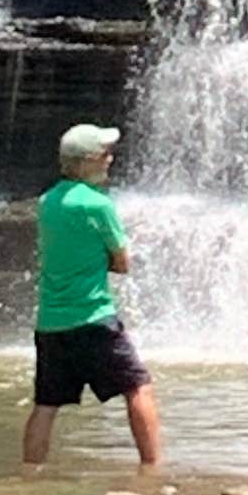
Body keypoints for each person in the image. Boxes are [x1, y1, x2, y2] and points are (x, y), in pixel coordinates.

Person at [23, 120, 161, 471]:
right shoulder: (98, 205)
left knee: (46, 404)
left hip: (52, 323)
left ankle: (29, 473)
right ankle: (151, 469)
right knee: (138, 388)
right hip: (93, 318)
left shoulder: (47, 202)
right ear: (86, 162)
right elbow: (123, 262)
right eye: (104, 154)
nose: (110, 159)